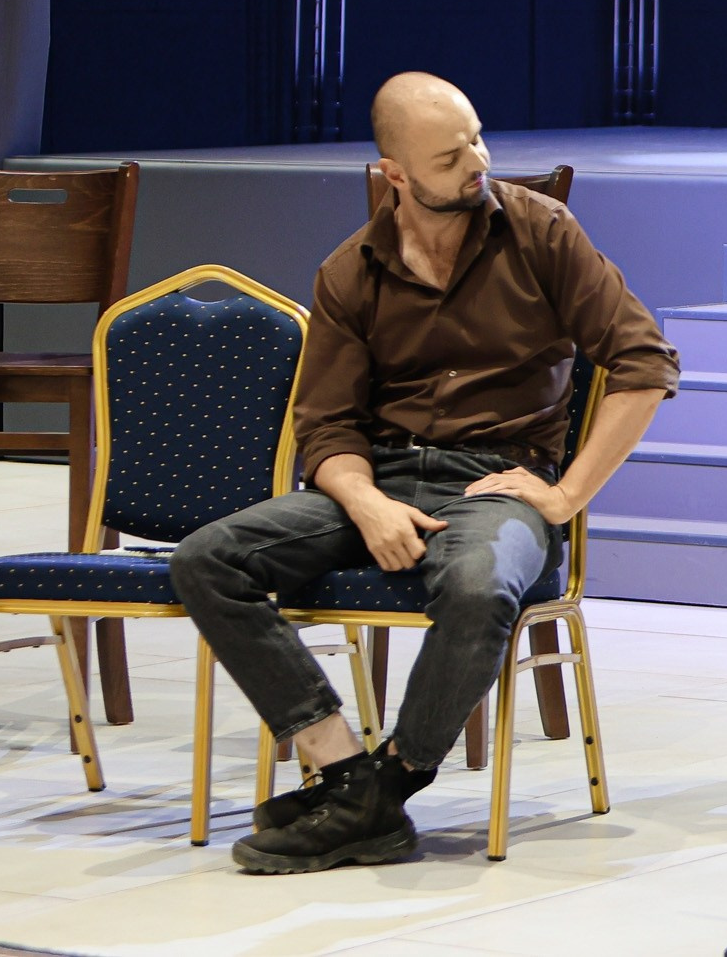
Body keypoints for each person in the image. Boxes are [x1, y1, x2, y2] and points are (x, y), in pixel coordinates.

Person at [172, 73, 677, 873]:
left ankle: (389, 784)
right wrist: (365, 501)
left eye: (477, 139)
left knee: (479, 585)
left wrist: (567, 495)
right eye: (449, 158)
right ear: (395, 174)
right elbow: (327, 426)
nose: (477, 163)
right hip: (379, 478)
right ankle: (343, 768)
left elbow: (646, 362)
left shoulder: (542, 233)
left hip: (496, 483)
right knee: (207, 558)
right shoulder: (350, 270)